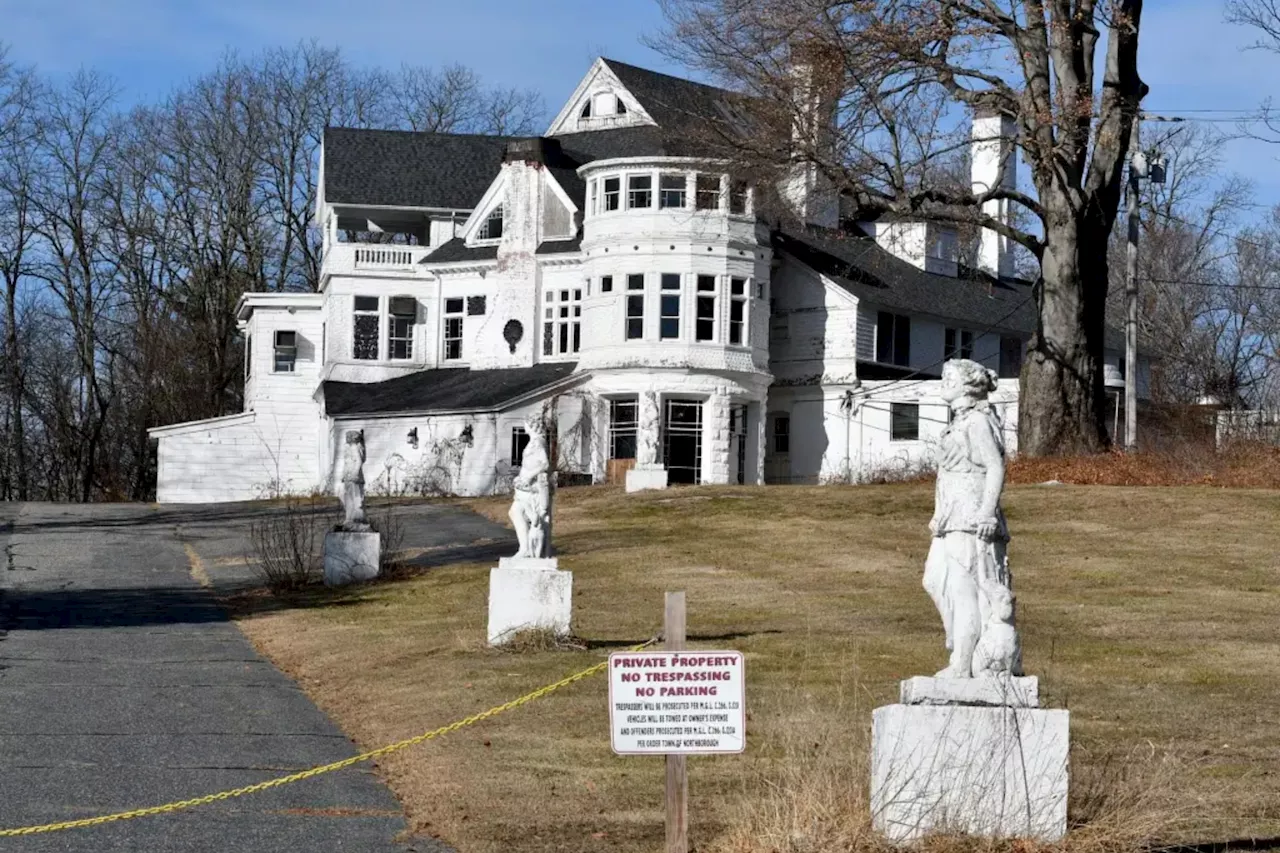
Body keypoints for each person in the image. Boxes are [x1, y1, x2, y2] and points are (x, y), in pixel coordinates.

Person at [923, 359, 1022, 678]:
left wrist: (987, 512)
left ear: (967, 385)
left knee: (963, 589)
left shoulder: (977, 422)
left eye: (949, 377)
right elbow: (945, 474)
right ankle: (962, 650)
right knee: (935, 581)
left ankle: (963, 663)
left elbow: (994, 467)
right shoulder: (958, 423)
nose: (943, 382)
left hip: (971, 514)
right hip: (952, 514)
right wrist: (939, 513)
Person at [509, 415, 551, 558]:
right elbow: (528, 464)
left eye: (525, 424)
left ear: (531, 425)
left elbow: (545, 464)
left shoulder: (537, 443)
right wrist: (520, 478)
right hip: (524, 487)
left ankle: (526, 548)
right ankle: (525, 547)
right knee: (515, 512)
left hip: (532, 489)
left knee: (518, 513)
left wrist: (528, 476)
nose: (524, 426)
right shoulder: (534, 442)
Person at [340, 430, 369, 530]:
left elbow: (358, 461)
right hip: (349, 476)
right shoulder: (349, 448)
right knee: (347, 496)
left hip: (353, 477)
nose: (346, 438)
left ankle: (356, 517)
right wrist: (344, 474)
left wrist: (355, 473)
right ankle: (350, 517)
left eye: (348, 437)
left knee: (355, 497)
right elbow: (346, 463)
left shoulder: (354, 448)